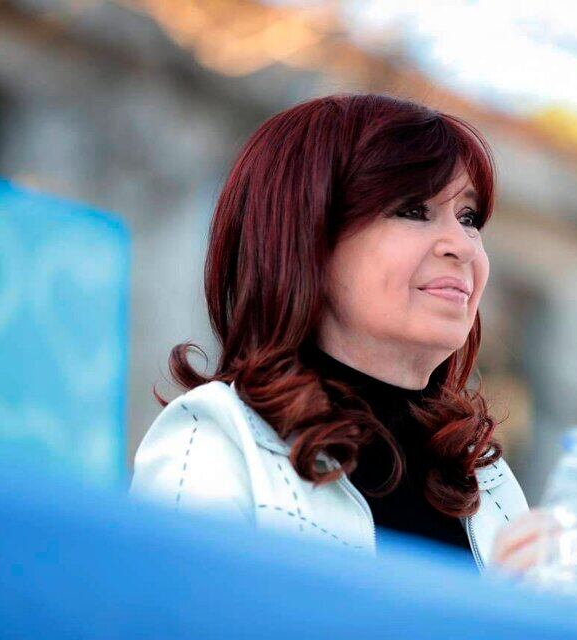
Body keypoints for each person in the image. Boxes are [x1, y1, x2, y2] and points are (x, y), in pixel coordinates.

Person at [129, 93, 529, 573]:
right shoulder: (218, 441)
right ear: (307, 237)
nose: (462, 246)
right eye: (413, 210)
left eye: (468, 218)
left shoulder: (485, 478)